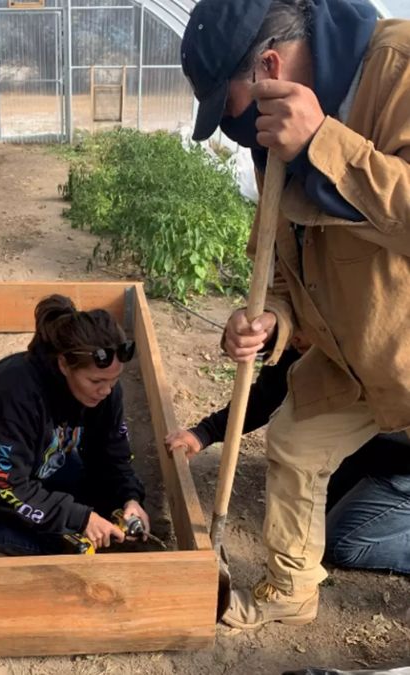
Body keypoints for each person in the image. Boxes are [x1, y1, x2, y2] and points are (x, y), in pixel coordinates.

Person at [180, 0, 410, 628]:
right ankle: (291, 593)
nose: (238, 133)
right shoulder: (274, 139)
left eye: (230, 112)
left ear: (270, 68)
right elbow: (283, 264)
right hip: (360, 354)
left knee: (358, 535)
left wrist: (327, 144)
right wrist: (274, 318)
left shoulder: (400, 70)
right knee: (297, 443)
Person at [0, 294, 149, 556]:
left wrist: (130, 498)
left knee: (103, 506)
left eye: (113, 380)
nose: (106, 390)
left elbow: (114, 455)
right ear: (64, 364)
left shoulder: (106, 388)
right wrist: (80, 519)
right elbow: (8, 485)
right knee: (74, 544)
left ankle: (8, 508)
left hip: (42, 461)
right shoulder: (17, 394)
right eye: (96, 382)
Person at [167, 344, 410, 574]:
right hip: (371, 447)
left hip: (402, 460)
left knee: (344, 543)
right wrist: (204, 433)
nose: (294, 341)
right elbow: (271, 390)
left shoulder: (377, 339)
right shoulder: (312, 325)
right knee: (318, 494)